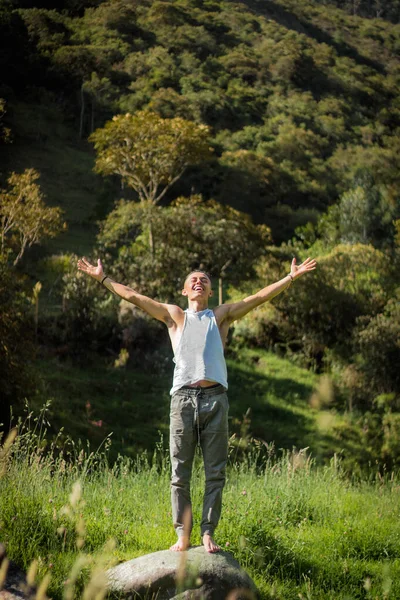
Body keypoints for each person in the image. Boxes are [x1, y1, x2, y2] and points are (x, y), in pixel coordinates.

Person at [77, 256, 316, 553]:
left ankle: (207, 532)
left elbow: (258, 297)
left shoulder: (221, 316)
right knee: (180, 473)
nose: (199, 282)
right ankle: (182, 533)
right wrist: (103, 279)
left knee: (215, 472)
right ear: (184, 290)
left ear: (211, 292)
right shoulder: (175, 315)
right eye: (194, 280)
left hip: (216, 400)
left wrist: (290, 278)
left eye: (204, 280)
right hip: (182, 401)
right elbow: (136, 297)